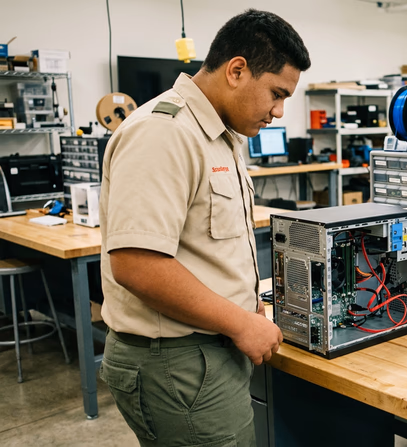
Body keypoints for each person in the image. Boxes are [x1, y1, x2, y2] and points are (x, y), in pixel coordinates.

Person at [98, 9, 310, 446]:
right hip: (176, 363)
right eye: (276, 93)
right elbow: (137, 265)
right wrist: (240, 322)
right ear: (237, 70)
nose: (279, 110)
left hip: (204, 350)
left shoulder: (218, 134)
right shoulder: (165, 134)